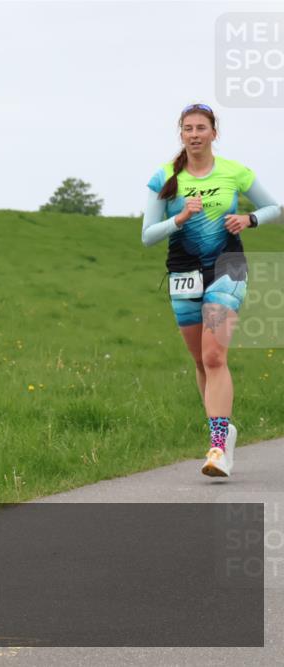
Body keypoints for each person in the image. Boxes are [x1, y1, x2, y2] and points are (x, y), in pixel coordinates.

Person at [141, 103, 280, 478]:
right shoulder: (165, 178)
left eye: (202, 127)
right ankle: (224, 428)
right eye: (188, 128)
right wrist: (179, 218)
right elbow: (147, 236)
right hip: (184, 273)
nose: (195, 134)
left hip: (227, 268)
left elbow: (275, 208)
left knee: (215, 355)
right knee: (201, 361)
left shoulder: (235, 172)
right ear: (181, 134)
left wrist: (249, 219)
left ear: (214, 133)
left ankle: (218, 447)